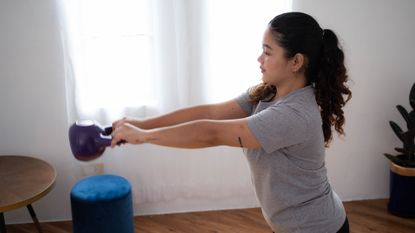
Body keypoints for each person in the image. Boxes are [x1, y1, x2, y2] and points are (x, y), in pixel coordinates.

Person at [111, 12, 352, 233]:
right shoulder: (268, 92)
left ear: (296, 62)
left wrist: (143, 136)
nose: (260, 59)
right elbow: (213, 113)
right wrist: (142, 123)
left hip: (317, 227)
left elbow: (210, 133)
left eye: (268, 52)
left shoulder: (295, 114)